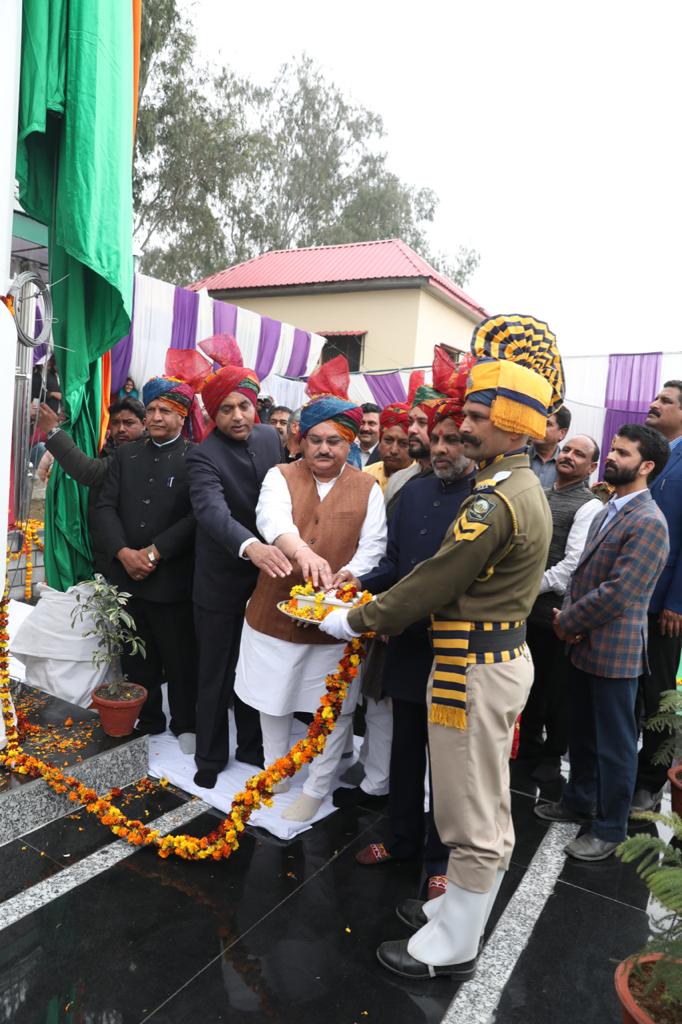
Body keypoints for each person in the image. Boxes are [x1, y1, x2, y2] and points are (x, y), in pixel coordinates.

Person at [321, 314, 560, 980]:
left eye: (480, 416)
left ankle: (454, 942)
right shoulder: (510, 487)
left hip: (471, 670)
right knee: (471, 801)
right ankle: (456, 910)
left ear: (512, 424)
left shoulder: (496, 500)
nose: (466, 426)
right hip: (475, 661)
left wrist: (357, 619)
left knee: (468, 812)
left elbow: (435, 580)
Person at [338, 393, 477, 903]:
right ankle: (399, 840)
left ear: (471, 442)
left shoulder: (483, 497)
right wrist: (355, 584)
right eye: (435, 438)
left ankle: (440, 859)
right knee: (403, 748)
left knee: (445, 760)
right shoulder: (415, 492)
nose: (439, 448)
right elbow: (394, 563)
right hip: (404, 642)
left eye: (452, 439)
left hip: (451, 648)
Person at [234, 373, 387, 823]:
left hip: (336, 620)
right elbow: (271, 519)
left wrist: (350, 574)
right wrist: (301, 551)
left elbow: (374, 545)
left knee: (334, 709)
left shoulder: (367, 487)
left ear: (350, 444)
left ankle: (317, 787)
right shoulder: (279, 475)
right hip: (274, 613)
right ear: (300, 440)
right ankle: (276, 771)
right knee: (272, 698)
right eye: (315, 439)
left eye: (335, 442)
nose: (323, 449)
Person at [535, 424, 670, 861]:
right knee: (583, 735)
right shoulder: (609, 506)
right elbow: (581, 573)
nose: (612, 457)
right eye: (612, 450)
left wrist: (566, 621)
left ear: (646, 466)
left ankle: (610, 829)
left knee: (614, 745)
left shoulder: (649, 521)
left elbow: (619, 592)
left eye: (623, 453)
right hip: (581, 640)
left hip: (614, 651)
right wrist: (569, 621)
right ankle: (577, 801)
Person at [188, 358, 286, 788]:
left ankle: (251, 745)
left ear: (255, 406)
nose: (237, 416)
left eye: (243, 406)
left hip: (268, 580)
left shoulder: (270, 438)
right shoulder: (201, 457)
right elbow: (212, 512)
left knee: (256, 667)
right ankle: (210, 757)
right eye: (225, 409)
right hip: (220, 582)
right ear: (212, 414)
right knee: (214, 672)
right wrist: (252, 547)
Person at [97, 377, 199, 750]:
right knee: (135, 656)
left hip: (170, 577)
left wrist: (155, 552)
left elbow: (195, 516)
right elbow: (105, 505)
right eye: (152, 409)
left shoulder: (196, 456)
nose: (155, 416)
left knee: (179, 656)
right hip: (127, 576)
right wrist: (123, 552)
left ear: (183, 416)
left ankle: (186, 721)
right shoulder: (125, 455)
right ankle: (150, 717)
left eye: (164, 411)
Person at [519, 434, 603, 781]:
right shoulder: (541, 494)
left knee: (554, 689)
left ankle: (552, 757)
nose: (569, 456)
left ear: (592, 467)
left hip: (555, 613)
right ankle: (526, 750)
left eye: (579, 454)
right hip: (525, 609)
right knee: (529, 686)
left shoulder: (589, 506)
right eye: (567, 450)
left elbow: (572, 565)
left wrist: (526, 588)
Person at [631, 382, 682, 810]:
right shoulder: (651, 456)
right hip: (631, 595)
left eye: (665, 401)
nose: (653, 404)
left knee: (658, 693)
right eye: (655, 398)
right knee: (628, 691)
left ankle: (650, 782)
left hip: (663, 603)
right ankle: (629, 770)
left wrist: (677, 603)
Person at [36, 397, 146, 574]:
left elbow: (90, 471)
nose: (121, 429)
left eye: (128, 423)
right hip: (105, 551)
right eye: (116, 423)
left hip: (126, 555)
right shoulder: (109, 446)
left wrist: (53, 432)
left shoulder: (139, 453)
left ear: (144, 424)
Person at [363, 403, 413, 493]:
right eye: (388, 440)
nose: (394, 450)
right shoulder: (364, 475)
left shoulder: (420, 480)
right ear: (380, 441)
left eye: (403, 443)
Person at [528, 406, 571, 487]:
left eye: (547, 424)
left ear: (562, 433)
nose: (538, 427)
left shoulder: (569, 467)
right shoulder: (517, 457)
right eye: (538, 421)